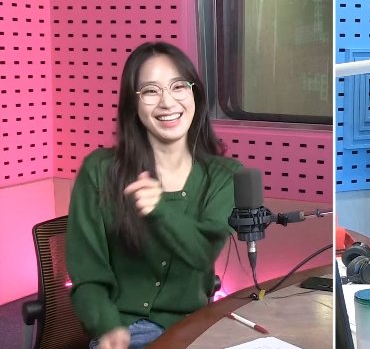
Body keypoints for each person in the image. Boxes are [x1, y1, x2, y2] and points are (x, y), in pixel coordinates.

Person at [66, 41, 242, 349]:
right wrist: (107, 326)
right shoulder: (99, 170)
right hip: (125, 331)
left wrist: (159, 210)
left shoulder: (225, 174)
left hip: (193, 328)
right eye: (150, 91)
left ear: (195, 94)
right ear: (132, 105)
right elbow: (88, 272)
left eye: (178, 86)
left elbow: (202, 254)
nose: (167, 102)